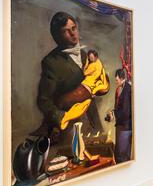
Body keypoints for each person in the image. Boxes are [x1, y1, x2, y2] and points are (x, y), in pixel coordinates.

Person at [34, 12, 103, 146]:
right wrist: (62, 118)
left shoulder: (85, 55)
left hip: (94, 123)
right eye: (66, 31)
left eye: (74, 28)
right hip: (71, 129)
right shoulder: (51, 62)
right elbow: (43, 100)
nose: (73, 34)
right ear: (57, 36)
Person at [107, 69, 132, 164]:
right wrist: (113, 112)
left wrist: (114, 114)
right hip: (121, 125)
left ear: (122, 78)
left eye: (117, 80)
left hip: (125, 127)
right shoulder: (121, 88)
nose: (116, 81)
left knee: (122, 155)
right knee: (119, 153)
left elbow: (126, 111)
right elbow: (121, 108)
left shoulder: (128, 90)